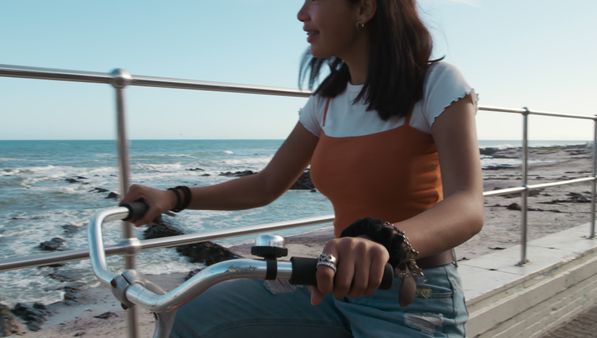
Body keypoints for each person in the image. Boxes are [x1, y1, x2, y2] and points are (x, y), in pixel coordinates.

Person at [122, 0, 484, 336]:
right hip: (329, 286)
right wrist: (173, 197)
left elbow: (467, 205)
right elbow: (266, 185)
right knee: (189, 315)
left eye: (314, 0)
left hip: (411, 292)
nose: (301, 14)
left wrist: (387, 241)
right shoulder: (326, 102)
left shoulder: (437, 82)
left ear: (364, 7)